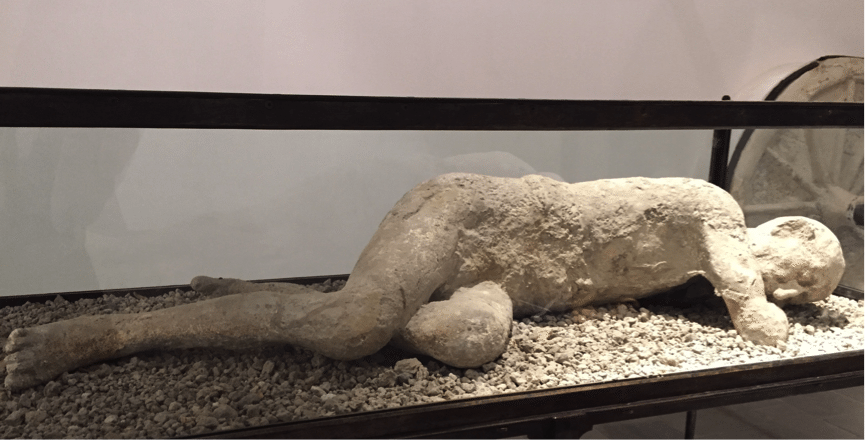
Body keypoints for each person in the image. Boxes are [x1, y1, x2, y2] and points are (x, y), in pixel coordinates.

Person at [3, 173, 845, 391]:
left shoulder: (686, 265)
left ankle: (274, 304)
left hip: (504, 281)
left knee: (466, 341)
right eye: (800, 281)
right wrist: (793, 310)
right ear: (789, 233)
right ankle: (108, 335)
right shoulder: (715, 208)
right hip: (471, 217)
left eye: (802, 297)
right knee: (351, 333)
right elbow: (757, 323)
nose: (792, 298)